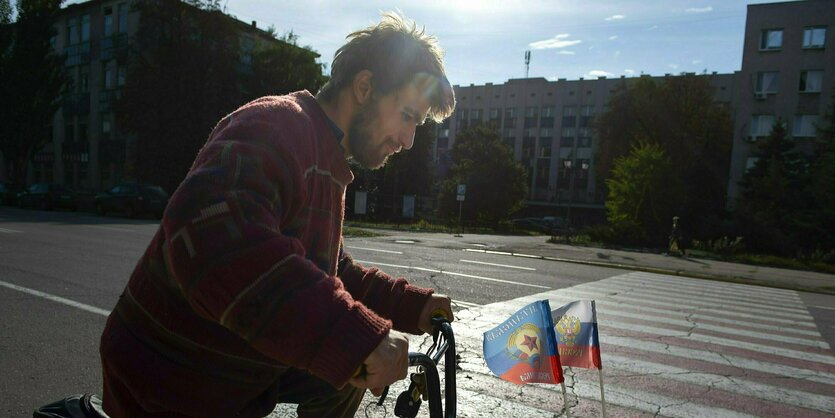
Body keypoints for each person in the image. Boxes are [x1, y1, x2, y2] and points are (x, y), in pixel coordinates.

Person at [98, 12, 456, 418]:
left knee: (346, 370)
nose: (409, 141)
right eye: (408, 116)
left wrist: (412, 307)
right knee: (350, 349)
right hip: (170, 377)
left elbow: (331, 274)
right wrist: (352, 336)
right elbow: (206, 231)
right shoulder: (276, 126)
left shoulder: (327, 159)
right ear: (365, 87)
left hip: (231, 370)